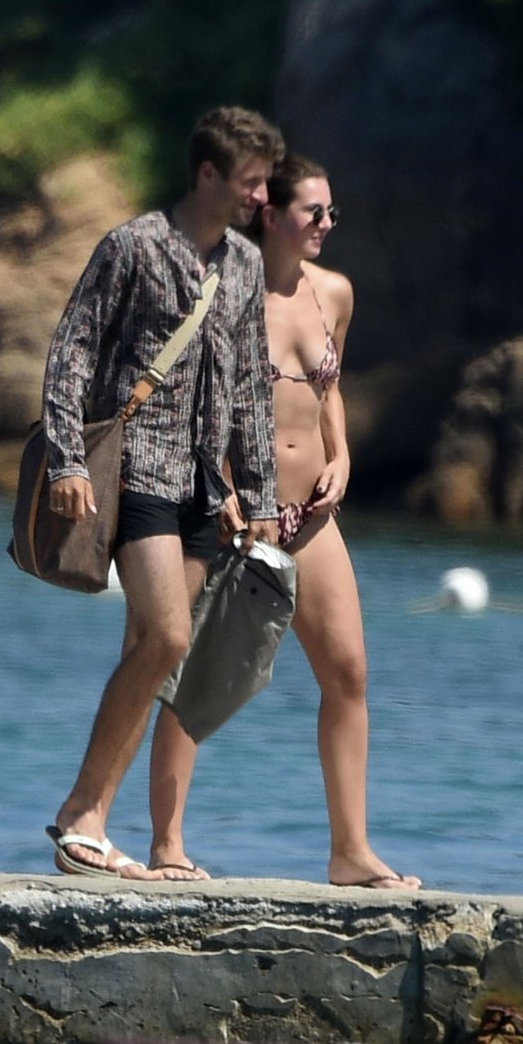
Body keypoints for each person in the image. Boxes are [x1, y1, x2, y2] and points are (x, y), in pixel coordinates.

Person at [148, 154, 422, 889]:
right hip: (239, 516)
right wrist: (221, 489)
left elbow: (330, 390)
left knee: (349, 673)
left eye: (333, 213)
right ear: (271, 215)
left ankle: (350, 852)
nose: (328, 224)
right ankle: (167, 846)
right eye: (314, 212)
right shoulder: (224, 292)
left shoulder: (334, 293)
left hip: (313, 516)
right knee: (192, 678)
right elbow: (194, 399)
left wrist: (343, 457)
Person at [43, 106, 284, 880]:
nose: (262, 197)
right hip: (138, 468)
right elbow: (72, 352)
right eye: (251, 182)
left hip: (203, 486)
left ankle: (96, 831)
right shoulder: (134, 246)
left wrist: (261, 493)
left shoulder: (245, 264)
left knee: (150, 654)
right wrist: (66, 461)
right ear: (208, 173)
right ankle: (80, 812)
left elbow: (250, 385)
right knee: (169, 638)